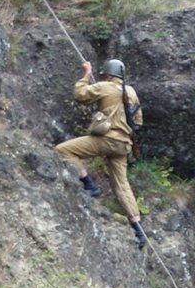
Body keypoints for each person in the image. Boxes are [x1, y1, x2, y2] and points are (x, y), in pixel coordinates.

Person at [55, 58, 147, 248]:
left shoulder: (104, 86)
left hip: (107, 140)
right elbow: (138, 122)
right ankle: (138, 229)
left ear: (107, 73)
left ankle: (90, 184)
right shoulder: (131, 92)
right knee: (122, 184)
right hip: (124, 144)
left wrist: (86, 74)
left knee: (63, 150)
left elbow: (80, 95)